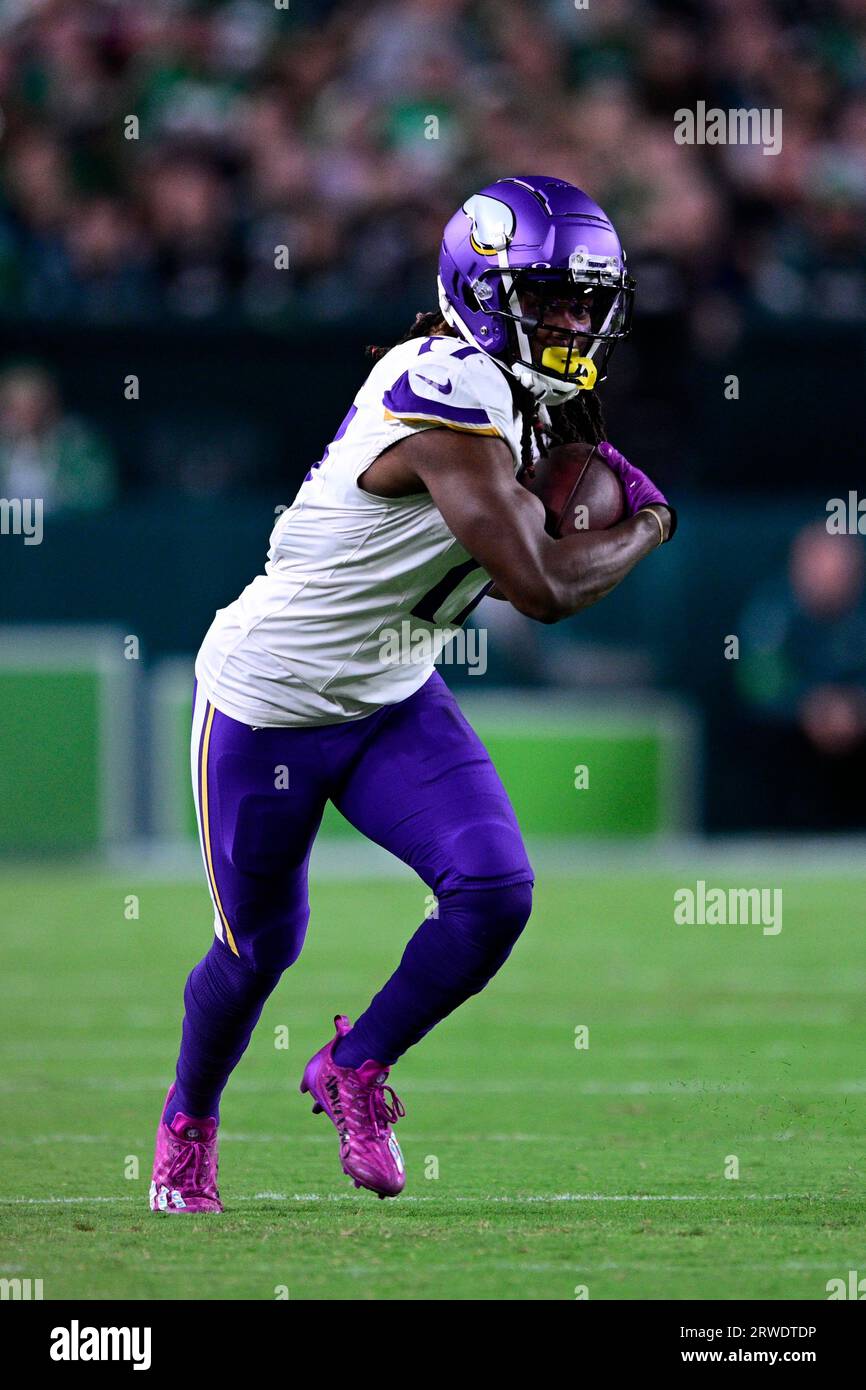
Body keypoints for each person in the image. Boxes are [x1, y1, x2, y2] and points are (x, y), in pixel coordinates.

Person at [150, 175, 675, 1213]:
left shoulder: (528, 393)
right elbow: (542, 587)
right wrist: (650, 522)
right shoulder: (446, 385)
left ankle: (355, 1064)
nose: (570, 322)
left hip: (391, 687)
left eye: (585, 300)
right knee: (260, 947)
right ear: (480, 290)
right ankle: (187, 1121)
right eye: (548, 297)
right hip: (274, 701)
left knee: (492, 890)